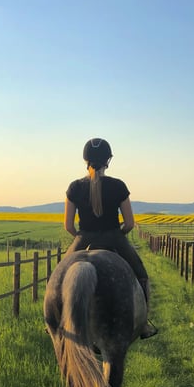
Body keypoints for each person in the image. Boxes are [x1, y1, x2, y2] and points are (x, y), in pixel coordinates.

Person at [64, 138, 158, 339]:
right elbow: (130, 223)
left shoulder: (74, 188)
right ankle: (144, 325)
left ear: (85, 160)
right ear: (108, 160)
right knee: (141, 274)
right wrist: (117, 236)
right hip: (115, 237)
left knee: (60, 274)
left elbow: (68, 226)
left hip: (83, 238)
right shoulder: (118, 186)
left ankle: (56, 320)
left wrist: (80, 237)